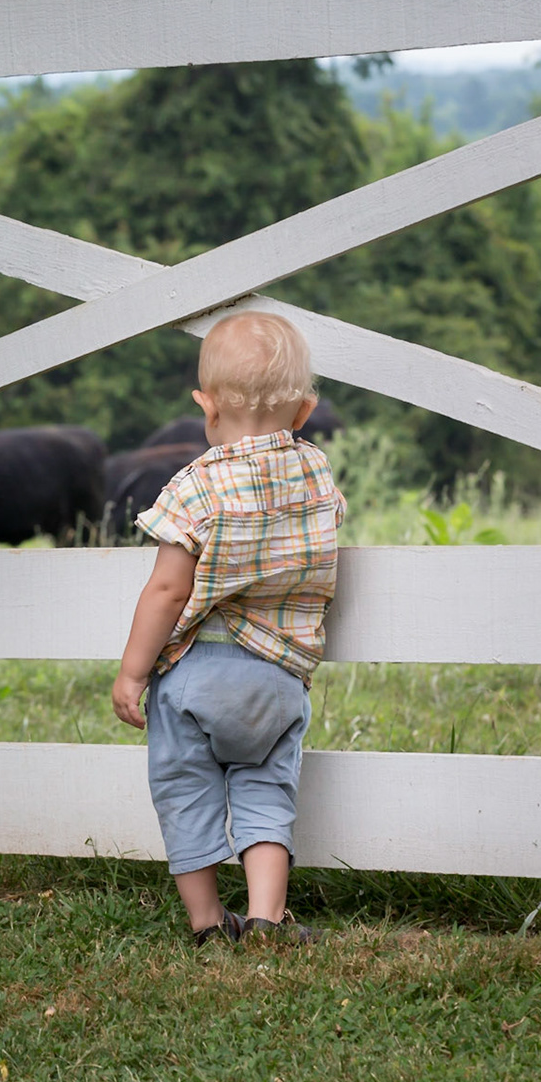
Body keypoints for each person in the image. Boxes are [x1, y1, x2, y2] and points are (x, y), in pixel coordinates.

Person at [111, 310, 345, 946]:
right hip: (277, 678)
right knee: (267, 790)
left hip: (196, 678)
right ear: (303, 411)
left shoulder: (195, 487)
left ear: (205, 406)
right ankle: (267, 918)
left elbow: (167, 588)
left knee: (185, 792)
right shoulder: (317, 474)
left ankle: (209, 925)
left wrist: (134, 670)